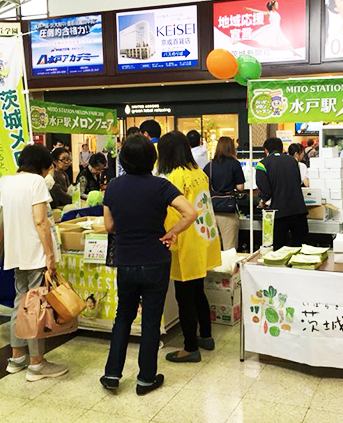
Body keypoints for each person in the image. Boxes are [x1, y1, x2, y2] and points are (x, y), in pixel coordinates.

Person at [100, 134, 197, 395]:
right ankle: (146, 379)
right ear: (152, 159)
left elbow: (109, 226)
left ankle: (111, 374)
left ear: (123, 159)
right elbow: (191, 212)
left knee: (123, 317)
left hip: (126, 261)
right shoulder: (161, 186)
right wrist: (173, 231)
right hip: (156, 260)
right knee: (151, 321)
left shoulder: (114, 187)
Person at [0, 144, 67, 381]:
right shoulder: (36, 182)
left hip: (16, 253)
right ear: (41, 166)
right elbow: (40, 222)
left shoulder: (6, 181)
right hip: (35, 252)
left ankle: (16, 357)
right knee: (36, 308)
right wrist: (50, 256)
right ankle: (37, 363)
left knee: (21, 304)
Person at [158, 131, 221, 363]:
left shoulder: (175, 177)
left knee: (185, 296)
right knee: (198, 291)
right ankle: (206, 335)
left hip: (185, 242)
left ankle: (189, 347)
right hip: (205, 239)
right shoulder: (199, 173)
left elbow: (172, 214)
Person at [256, 137, 308, 250]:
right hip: (299, 210)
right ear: (281, 148)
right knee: (301, 249)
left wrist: (262, 202)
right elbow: (297, 181)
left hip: (279, 213)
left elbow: (265, 191)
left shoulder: (262, 164)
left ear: (266, 150)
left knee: (280, 251)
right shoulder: (293, 161)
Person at [203, 137, 245, 250]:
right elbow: (240, 187)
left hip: (211, 212)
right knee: (229, 249)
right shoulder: (234, 164)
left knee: (214, 249)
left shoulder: (209, 166)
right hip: (228, 211)